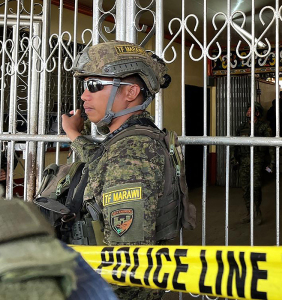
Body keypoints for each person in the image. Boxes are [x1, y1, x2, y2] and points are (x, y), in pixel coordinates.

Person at [62, 40, 172, 300]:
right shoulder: (129, 141)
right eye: (85, 85)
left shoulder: (132, 154)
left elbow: (126, 263)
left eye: (94, 85)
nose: (84, 95)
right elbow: (103, 164)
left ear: (131, 92)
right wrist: (73, 134)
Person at [231, 102, 275, 225]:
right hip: (244, 160)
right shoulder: (242, 127)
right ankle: (249, 212)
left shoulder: (264, 127)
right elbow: (235, 143)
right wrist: (233, 158)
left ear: (257, 113)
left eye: (251, 110)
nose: (248, 111)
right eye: (248, 109)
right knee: (245, 188)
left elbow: (270, 145)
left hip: (257, 159)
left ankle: (256, 211)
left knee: (255, 187)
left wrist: (272, 162)